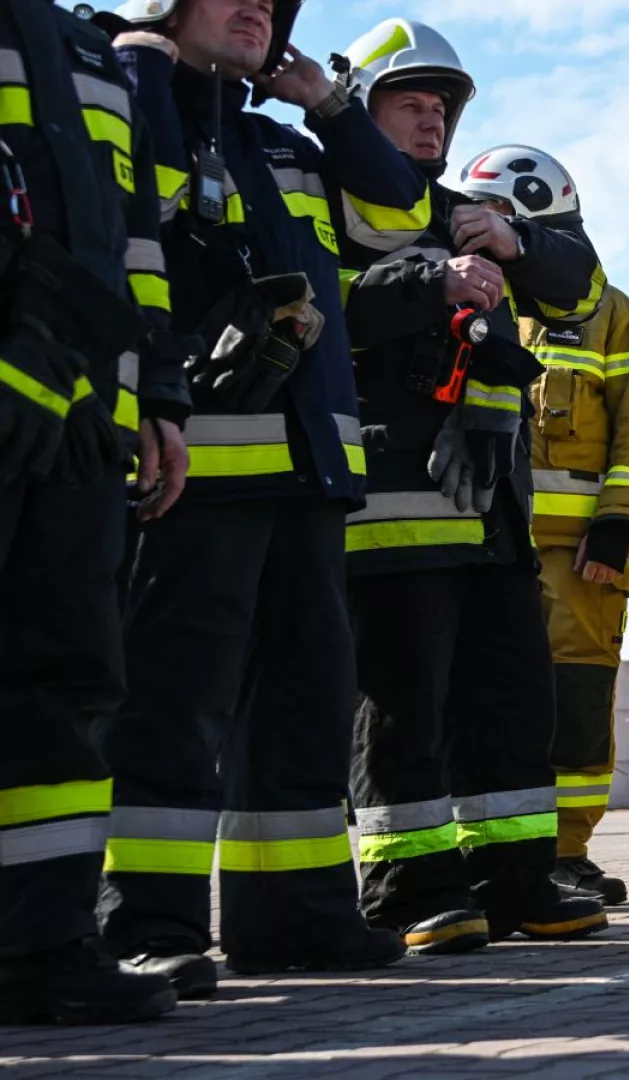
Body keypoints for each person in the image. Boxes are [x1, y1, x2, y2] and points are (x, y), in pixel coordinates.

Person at [100, 0, 432, 996]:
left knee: (307, 704)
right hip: (191, 474)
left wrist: (329, 105)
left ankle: (295, 917)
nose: (256, 8)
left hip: (309, 475)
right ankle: (145, 926)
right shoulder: (130, 99)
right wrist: (150, 62)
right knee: (173, 704)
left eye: (271, 2)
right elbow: (145, 202)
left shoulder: (281, 146)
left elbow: (396, 215)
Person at [337, 18, 613, 953]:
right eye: (409, 104)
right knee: (403, 697)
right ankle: (410, 884)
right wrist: (432, 279)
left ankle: (518, 878)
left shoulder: (464, 209)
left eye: (440, 108)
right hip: (391, 502)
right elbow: (329, 305)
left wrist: (516, 241)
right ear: (362, 110)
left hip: (493, 508)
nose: (429, 123)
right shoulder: (325, 198)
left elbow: (579, 290)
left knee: (511, 696)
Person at [0, 0, 191, 1025]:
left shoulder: (84, 47)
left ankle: (45, 943)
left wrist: (159, 397)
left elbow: (134, 244)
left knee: (67, 681)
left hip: (85, 424)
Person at [505, 166, 629, 907]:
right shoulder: (461, 292)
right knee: (483, 698)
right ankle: (492, 854)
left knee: (578, 695)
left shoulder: (613, 314)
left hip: (580, 557)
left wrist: (616, 527)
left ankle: (565, 850)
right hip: (481, 546)